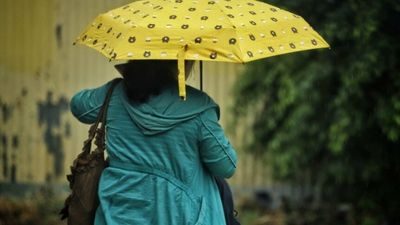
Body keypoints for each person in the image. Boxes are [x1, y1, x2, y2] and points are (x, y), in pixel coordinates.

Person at [70, 60, 238, 225]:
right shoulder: (200, 108)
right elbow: (226, 167)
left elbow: (78, 105)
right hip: (181, 216)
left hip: (116, 215)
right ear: (183, 62)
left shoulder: (116, 94)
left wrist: (117, 85)